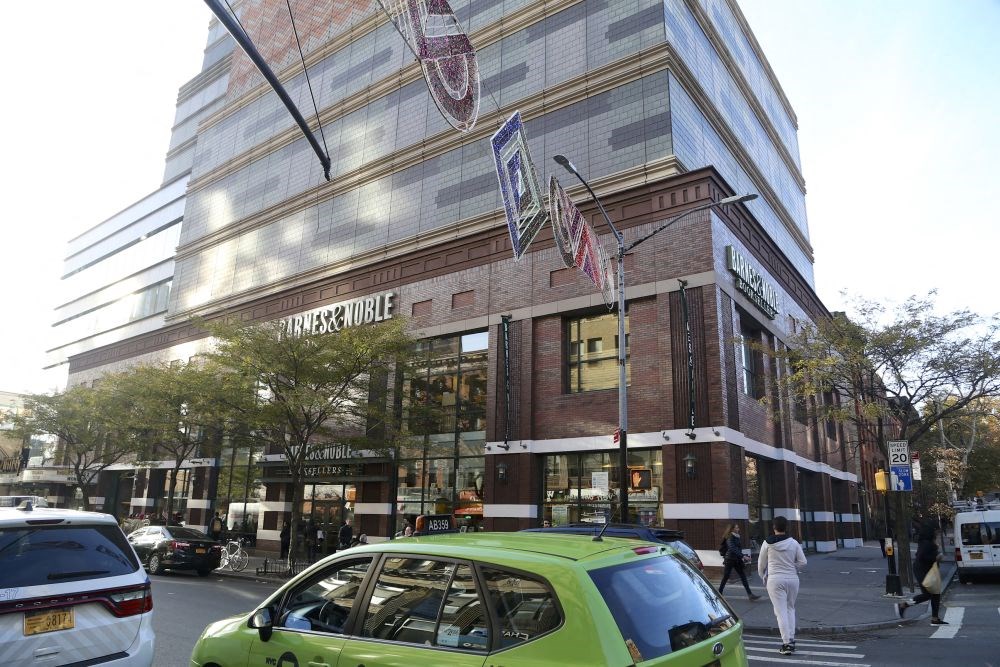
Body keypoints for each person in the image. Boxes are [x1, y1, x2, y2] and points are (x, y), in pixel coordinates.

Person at [758, 515, 807, 656]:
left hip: (775, 579)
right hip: (792, 579)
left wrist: (763, 576)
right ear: (786, 527)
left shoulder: (767, 543)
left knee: (780, 612)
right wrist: (793, 568)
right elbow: (803, 562)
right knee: (790, 608)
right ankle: (791, 639)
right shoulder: (794, 543)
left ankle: (786, 644)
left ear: (774, 527)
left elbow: (761, 564)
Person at [896, 523, 948, 624]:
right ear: (930, 532)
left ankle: (935, 618)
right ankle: (904, 605)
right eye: (935, 531)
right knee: (928, 594)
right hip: (923, 571)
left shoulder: (927, 542)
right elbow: (922, 556)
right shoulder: (926, 543)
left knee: (936, 594)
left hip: (927, 570)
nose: (937, 532)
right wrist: (936, 557)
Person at [719, 523, 761, 600]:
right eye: (737, 528)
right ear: (732, 529)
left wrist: (741, 557)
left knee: (743, 576)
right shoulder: (730, 537)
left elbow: (738, 549)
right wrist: (743, 556)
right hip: (730, 559)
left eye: (738, 527)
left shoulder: (737, 536)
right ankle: (719, 593)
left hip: (737, 559)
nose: (738, 529)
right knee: (726, 576)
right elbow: (732, 548)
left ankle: (750, 594)